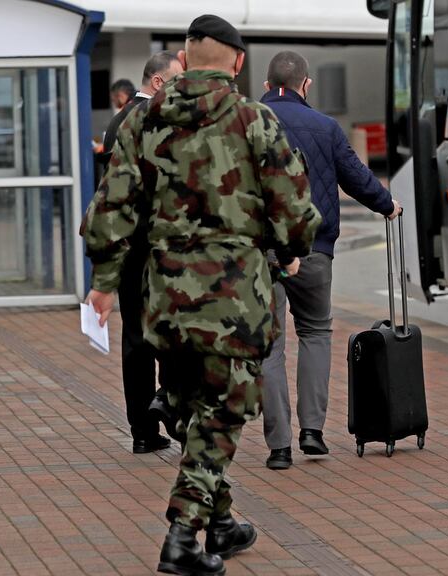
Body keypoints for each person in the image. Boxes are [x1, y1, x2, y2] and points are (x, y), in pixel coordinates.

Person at [82, 14, 319, 576]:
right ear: (238, 62)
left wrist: (104, 282)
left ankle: (222, 523)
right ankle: (182, 537)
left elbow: (110, 209)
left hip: (165, 296)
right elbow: (294, 208)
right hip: (234, 299)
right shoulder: (253, 119)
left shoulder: (145, 120)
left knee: (196, 410)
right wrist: (289, 250)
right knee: (221, 413)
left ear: (184, 61)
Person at [257, 50, 402, 470]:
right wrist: (386, 205)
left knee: (271, 344)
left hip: (261, 251)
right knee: (316, 333)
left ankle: (279, 446)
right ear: (306, 85)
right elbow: (357, 177)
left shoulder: (249, 123)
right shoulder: (325, 127)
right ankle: (312, 432)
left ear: (267, 86)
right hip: (315, 249)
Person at [95, 50, 185, 454]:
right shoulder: (153, 120)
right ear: (159, 82)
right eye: (178, 78)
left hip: (127, 249)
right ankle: (167, 407)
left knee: (135, 339)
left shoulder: (116, 122)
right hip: (157, 247)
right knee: (169, 333)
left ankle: (143, 431)